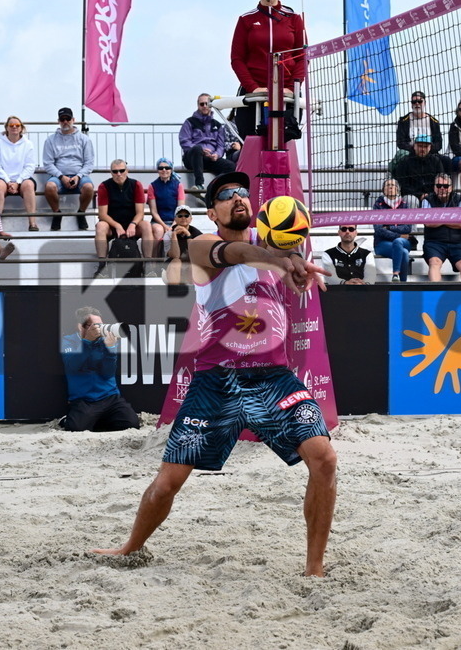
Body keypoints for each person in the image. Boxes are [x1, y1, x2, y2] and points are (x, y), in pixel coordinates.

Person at [92, 171, 337, 579]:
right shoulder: (203, 246)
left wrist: (294, 261)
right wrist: (283, 260)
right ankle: (130, 546)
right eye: (226, 195)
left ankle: (314, 569)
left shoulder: (270, 245)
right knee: (168, 482)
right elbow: (236, 255)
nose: (238, 197)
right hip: (216, 382)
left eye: (243, 192)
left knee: (325, 459)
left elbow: (279, 250)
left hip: (273, 379)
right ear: (212, 211)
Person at [231, 0, 306, 140]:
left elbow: (302, 57)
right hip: (253, 91)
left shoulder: (293, 18)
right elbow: (237, 59)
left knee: (284, 141)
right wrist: (253, 87)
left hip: (287, 92)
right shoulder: (246, 20)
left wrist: (293, 87)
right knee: (251, 140)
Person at [59, 306, 141, 433]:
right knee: (76, 428)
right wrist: (87, 342)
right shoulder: (68, 341)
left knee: (132, 424)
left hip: (110, 397)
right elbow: (73, 366)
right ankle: (70, 420)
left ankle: (96, 420)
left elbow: (108, 373)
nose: (100, 329)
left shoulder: (107, 341)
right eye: (95, 326)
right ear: (81, 327)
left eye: (101, 325)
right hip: (84, 400)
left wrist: (111, 349)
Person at [93, 160, 156, 279]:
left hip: (132, 225)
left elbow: (140, 213)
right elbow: (102, 214)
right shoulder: (104, 186)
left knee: (146, 225)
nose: (118, 174)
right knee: (101, 226)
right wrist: (117, 225)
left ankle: (148, 266)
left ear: (127, 171)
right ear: (110, 172)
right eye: (115, 171)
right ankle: (102, 267)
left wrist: (133, 224)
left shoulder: (136, 185)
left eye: (122, 170)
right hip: (112, 226)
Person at [42, 107, 95, 231]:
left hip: (79, 175)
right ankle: (57, 213)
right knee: (49, 187)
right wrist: (61, 176)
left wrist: (78, 176)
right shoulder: (50, 140)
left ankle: (81, 213)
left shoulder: (84, 139)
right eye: (62, 119)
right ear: (58, 121)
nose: (65, 121)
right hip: (58, 176)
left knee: (88, 187)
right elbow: (48, 163)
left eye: (68, 119)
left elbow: (89, 163)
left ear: (73, 120)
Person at [422, 173, 461, 282]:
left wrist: (439, 219)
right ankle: (435, 295)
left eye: (445, 186)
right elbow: (428, 223)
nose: (442, 189)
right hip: (434, 241)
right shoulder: (427, 200)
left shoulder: (460, 199)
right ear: (434, 187)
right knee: (434, 263)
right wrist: (451, 218)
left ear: (451, 188)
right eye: (439, 186)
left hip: (457, 242)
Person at [0, 115, 39, 230]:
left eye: (17, 125)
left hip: (22, 179)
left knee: (29, 185)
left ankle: (32, 223)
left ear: (21, 127)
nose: (14, 127)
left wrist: (17, 182)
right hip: (3, 178)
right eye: (11, 125)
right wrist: (8, 181)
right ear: (6, 128)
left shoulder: (28, 144)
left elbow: (30, 166)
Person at [178, 94, 233, 192]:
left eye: (206, 103)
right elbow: (184, 141)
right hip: (192, 158)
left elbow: (221, 145)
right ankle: (199, 184)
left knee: (231, 166)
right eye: (201, 104)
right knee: (197, 148)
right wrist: (202, 150)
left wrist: (216, 154)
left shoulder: (217, 125)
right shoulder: (189, 122)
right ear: (198, 106)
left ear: (210, 105)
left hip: (210, 158)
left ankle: (214, 187)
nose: (204, 106)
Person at [372, 178, 414, 282]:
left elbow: (408, 228)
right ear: (383, 190)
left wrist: (389, 227)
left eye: (393, 185)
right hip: (382, 244)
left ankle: (396, 274)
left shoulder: (404, 205)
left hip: (404, 242)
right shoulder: (378, 205)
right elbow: (379, 229)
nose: (390, 187)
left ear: (398, 189)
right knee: (403, 252)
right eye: (387, 185)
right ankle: (402, 283)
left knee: (399, 242)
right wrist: (399, 235)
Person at [394, 90, 443, 164]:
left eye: (420, 101)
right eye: (414, 102)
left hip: (429, 153)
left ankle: (442, 175)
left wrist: (427, 149)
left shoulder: (433, 122)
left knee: (446, 160)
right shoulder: (403, 121)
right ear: (411, 104)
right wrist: (415, 149)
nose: (417, 104)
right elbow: (400, 142)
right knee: (401, 156)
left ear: (425, 103)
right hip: (410, 154)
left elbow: (439, 144)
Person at [392, 134, 446, 200]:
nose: (422, 149)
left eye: (426, 146)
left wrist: (430, 195)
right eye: (420, 146)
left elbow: (441, 181)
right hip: (411, 196)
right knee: (410, 200)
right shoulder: (405, 161)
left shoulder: (436, 161)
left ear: (430, 148)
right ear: (414, 146)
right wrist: (419, 195)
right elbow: (402, 184)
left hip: (433, 195)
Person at [147, 157, 186, 242]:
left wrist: (173, 225)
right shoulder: (152, 186)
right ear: (158, 170)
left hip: (176, 221)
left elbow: (180, 209)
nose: (164, 170)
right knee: (158, 231)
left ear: (171, 169)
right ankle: (157, 255)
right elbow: (153, 211)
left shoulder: (178, 186)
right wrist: (165, 226)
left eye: (167, 168)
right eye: (161, 168)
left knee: (177, 232)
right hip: (158, 222)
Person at [165, 206, 203, 285]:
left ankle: (194, 292)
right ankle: (175, 292)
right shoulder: (168, 234)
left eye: (186, 216)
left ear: (191, 219)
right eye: (180, 216)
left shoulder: (198, 234)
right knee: (176, 261)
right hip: (171, 269)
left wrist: (188, 235)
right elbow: (175, 255)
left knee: (193, 264)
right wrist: (174, 235)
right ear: (175, 219)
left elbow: (195, 255)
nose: (183, 218)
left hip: (189, 268)